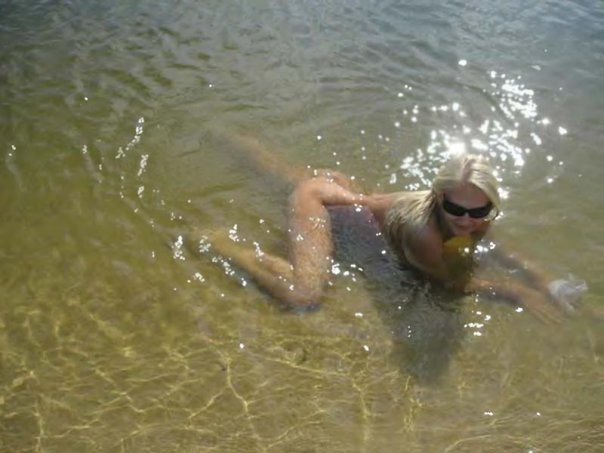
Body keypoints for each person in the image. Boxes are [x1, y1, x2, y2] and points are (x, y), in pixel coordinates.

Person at [204, 134, 573, 322]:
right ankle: (217, 243)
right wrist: (516, 294)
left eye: (479, 211)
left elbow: (507, 251)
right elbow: (451, 284)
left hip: (343, 193)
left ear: (490, 204)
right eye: (455, 208)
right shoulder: (424, 234)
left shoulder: (474, 214)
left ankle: (224, 137)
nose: (467, 219)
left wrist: (547, 283)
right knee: (304, 296)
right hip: (323, 204)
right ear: (438, 197)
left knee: (266, 169)